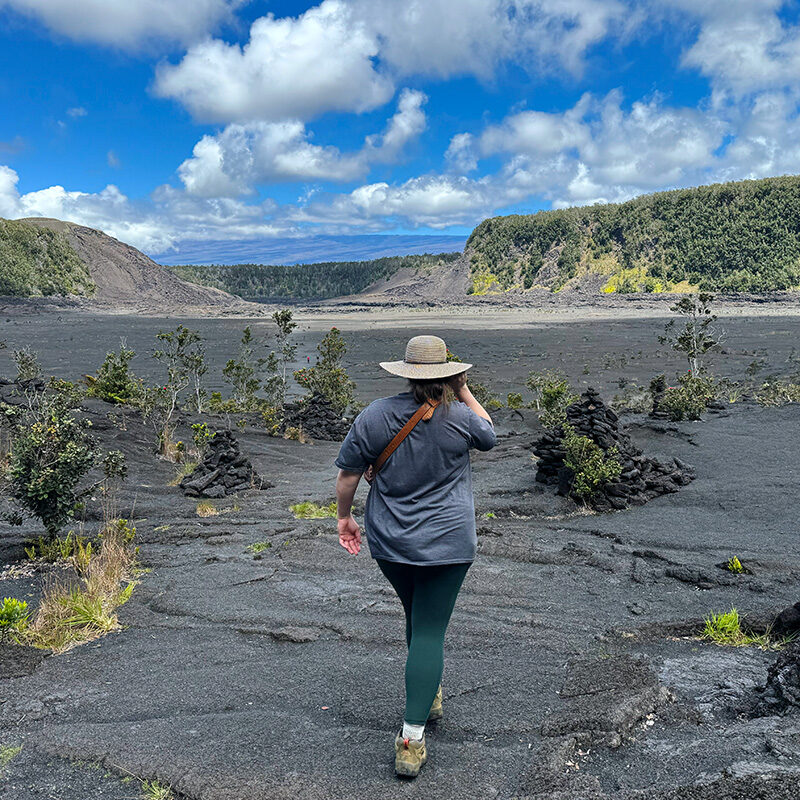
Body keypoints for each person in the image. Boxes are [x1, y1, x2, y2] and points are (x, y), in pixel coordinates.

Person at [334, 334, 496, 778]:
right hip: (448, 545)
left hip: (393, 543)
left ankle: (428, 695)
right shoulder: (461, 416)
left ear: (405, 373)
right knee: (429, 630)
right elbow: (490, 434)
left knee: (415, 616)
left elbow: (349, 475)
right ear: (447, 374)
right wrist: (462, 389)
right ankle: (411, 738)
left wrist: (344, 519)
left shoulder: (375, 415)